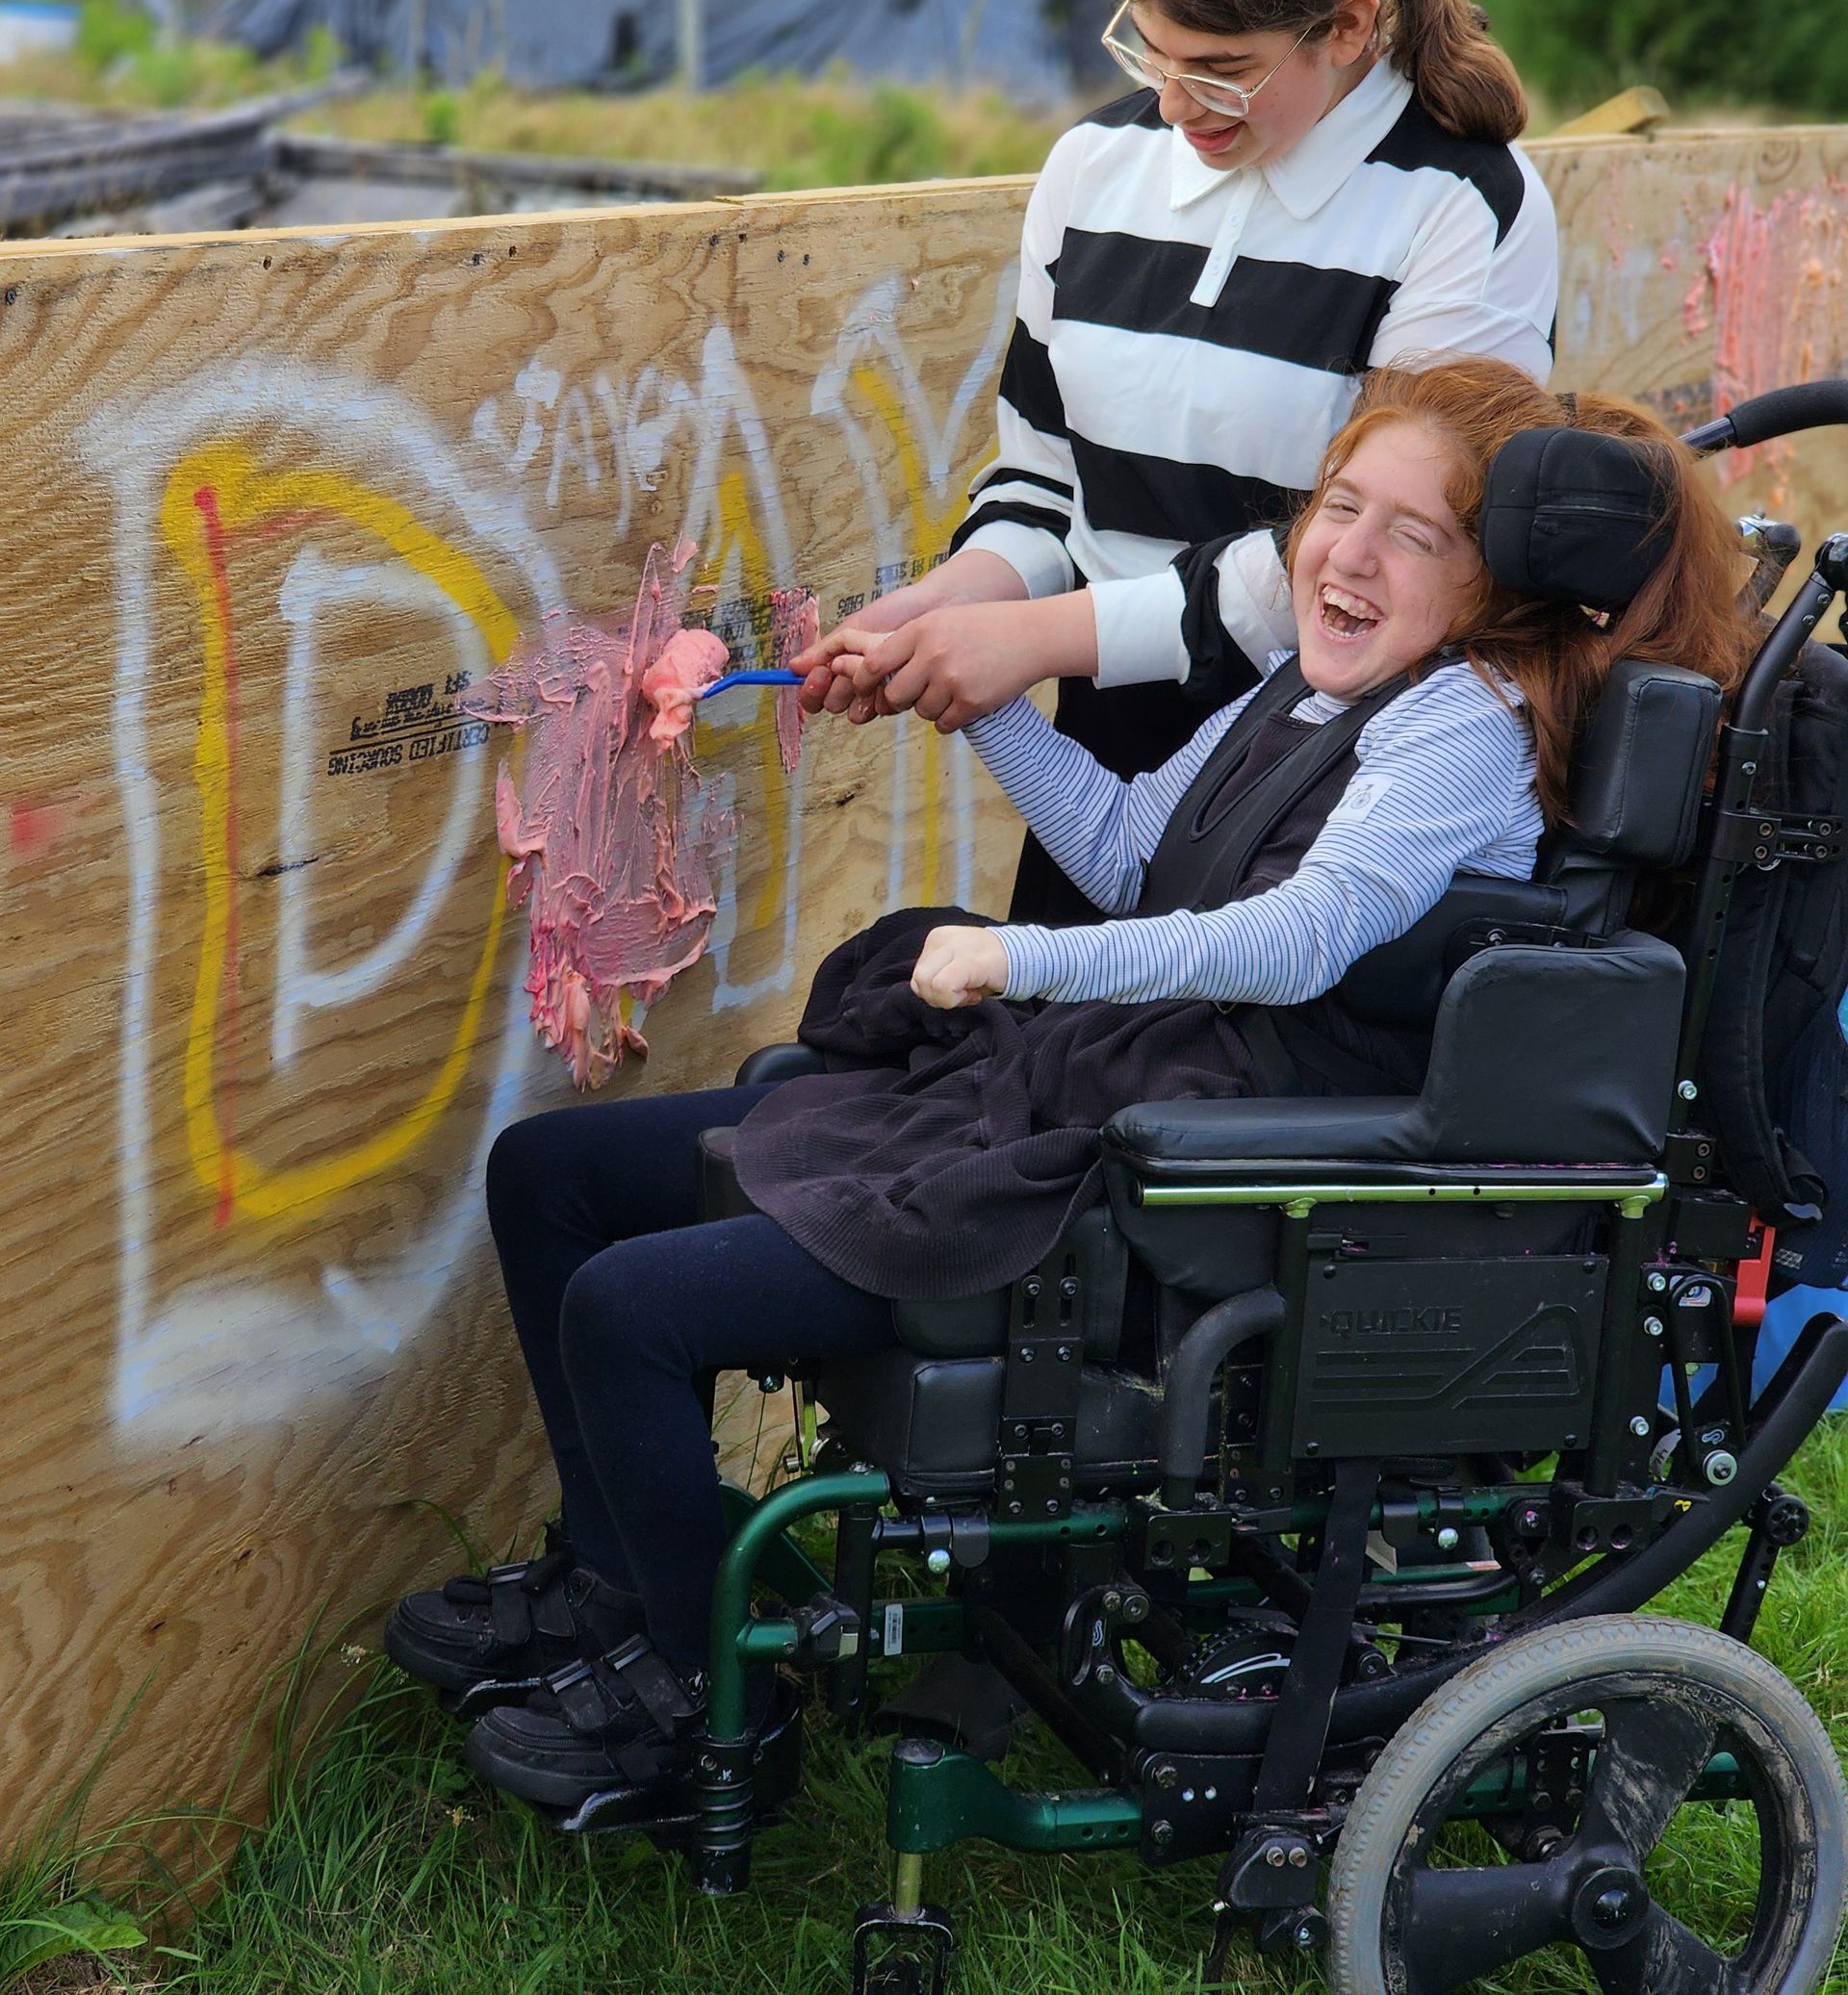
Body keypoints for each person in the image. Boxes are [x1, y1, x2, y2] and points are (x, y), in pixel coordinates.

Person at [385, 358, 1751, 1816]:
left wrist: (1018, 959)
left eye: (1415, 534)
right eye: (1340, 504)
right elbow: (1127, 850)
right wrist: (971, 700)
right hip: (1101, 1085)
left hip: (1175, 1176)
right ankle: (621, 1588)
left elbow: (1297, 943)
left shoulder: (1461, 728)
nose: (1347, 553)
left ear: (1503, 580)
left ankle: (693, 1713)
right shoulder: (1313, 683)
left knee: (631, 1307)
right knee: (551, 1178)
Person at [796, 0, 1560, 924]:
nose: (1174, 102)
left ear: (1349, 28)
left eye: (1220, 68)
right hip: (1097, 758)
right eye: (1148, 51)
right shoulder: (1093, 167)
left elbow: (1379, 549)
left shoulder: (1465, 205)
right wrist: (939, 606)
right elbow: (1044, 481)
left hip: (1315, 768)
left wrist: (1031, 642)